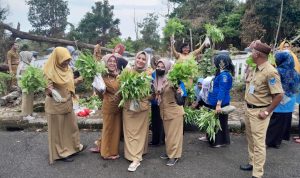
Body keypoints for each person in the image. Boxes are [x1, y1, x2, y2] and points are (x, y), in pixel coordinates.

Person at [240, 40, 284, 178]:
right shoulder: (255, 68)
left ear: (258, 54)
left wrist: (266, 112)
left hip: (259, 112)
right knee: (251, 140)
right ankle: (252, 163)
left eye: (252, 51)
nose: (250, 53)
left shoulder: (270, 72)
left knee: (259, 144)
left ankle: (257, 173)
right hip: (249, 109)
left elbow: (279, 95)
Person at [43, 47, 86, 164]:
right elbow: (47, 91)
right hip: (55, 107)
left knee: (72, 128)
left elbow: (70, 84)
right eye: (64, 60)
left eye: (68, 60)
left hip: (67, 104)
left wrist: (81, 79)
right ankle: (61, 153)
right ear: (57, 58)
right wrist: (49, 90)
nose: (67, 62)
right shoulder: (49, 71)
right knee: (58, 132)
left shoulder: (67, 69)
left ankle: (74, 147)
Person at [153, 59, 186, 166]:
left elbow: (181, 96)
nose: (160, 69)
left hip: (174, 112)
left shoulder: (173, 79)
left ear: (167, 68)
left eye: (163, 67)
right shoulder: (158, 79)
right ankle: (169, 152)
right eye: (158, 66)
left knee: (174, 136)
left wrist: (179, 92)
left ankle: (174, 156)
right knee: (168, 135)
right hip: (165, 112)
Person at [122, 51, 151, 172]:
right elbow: (120, 86)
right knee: (129, 132)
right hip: (129, 107)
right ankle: (131, 154)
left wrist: (142, 95)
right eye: (139, 58)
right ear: (135, 58)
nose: (140, 61)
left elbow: (152, 92)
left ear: (146, 61)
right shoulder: (127, 71)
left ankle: (136, 157)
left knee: (140, 132)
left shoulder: (149, 73)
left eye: (144, 59)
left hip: (142, 108)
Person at [266, 51, 300, 148]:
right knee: (285, 120)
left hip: (280, 98)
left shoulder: (277, 71)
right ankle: (278, 141)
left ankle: (271, 141)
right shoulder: (295, 72)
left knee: (275, 120)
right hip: (291, 99)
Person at [91, 54, 122, 159]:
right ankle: (106, 153)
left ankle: (112, 150)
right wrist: (105, 95)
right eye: (110, 61)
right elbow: (99, 92)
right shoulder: (102, 76)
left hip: (118, 107)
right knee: (108, 130)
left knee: (116, 130)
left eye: (114, 61)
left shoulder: (118, 74)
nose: (112, 63)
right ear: (105, 63)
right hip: (109, 107)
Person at [207, 54, 235, 147]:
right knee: (214, 121)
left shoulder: (224, 76)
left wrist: (218, 104)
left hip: (220, 103)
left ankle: (219, 141)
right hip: (214, 101)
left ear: (221, 63)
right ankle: (212, 138)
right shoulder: (220, 73)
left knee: (219, 122)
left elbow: (222, 90)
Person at [149, 55, 165, 147]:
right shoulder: (156, 73)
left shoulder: (153, 73)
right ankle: (160, 140)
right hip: (158, 101)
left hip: (156, 101)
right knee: (159, 121)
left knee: (156, 121)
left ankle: (156, 140)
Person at [16, 51, 35, 117]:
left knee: (30, 98)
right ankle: (25, 114)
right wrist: (24, 78)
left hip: (30, 85)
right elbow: (18, 76)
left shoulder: (29, 64)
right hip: (25, 85)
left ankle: (30, 112)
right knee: (26, 99)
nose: (31, 57)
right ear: (26, 57)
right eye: (30, 56)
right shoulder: (22, 65)